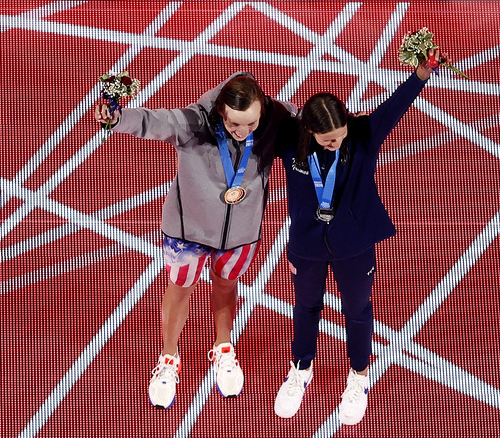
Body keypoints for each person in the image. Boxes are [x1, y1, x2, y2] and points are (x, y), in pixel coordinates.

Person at [95, 72, 294, 409]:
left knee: (227, 286)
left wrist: (352, 124)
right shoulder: (195, 123)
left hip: (241, 233)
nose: (244, 132)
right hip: (188, 234)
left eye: (251, 124)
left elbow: (318, 123)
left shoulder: (276, 120)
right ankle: (168, 358)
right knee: (180, 288)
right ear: (221, 112)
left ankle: (223, 347)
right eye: (234, 125)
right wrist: (117, 118)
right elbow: (154, 121)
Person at [273, 49, 448, 425]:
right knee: (305, 307)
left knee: (357, 311)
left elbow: (396, 105)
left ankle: (358, 376)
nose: (335, 142)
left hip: (354, 245)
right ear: (309, 131)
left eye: (340, 135)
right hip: (305, 246)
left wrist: (421, 73)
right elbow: (255, 119)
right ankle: (301, 369)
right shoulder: (290, 142)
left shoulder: (364, 135)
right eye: (327, 139)